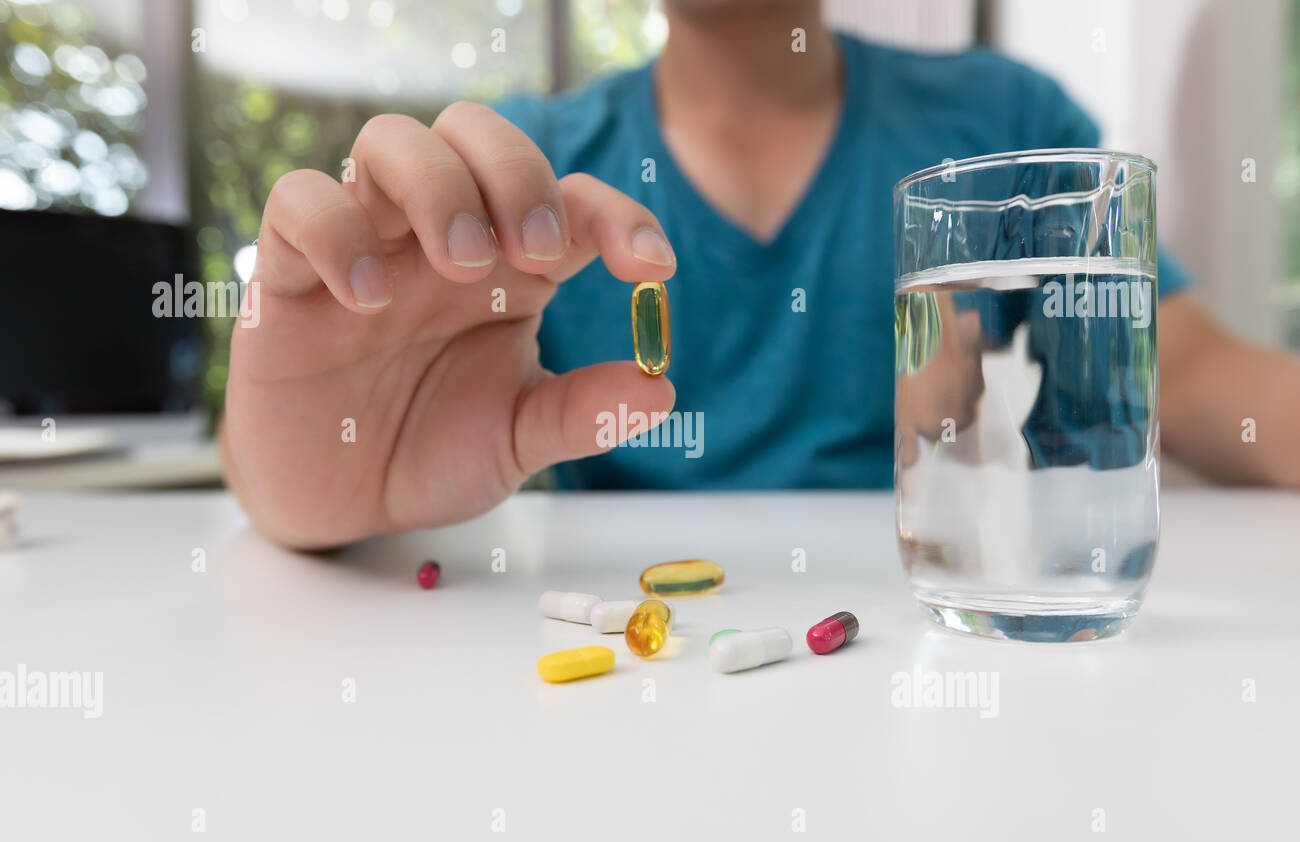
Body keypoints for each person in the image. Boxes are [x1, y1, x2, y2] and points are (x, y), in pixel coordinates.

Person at [220, 0, 1300, 549]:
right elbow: (326, 470)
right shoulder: (517, 180)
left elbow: (1189, 370)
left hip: (927, 639)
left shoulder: (1002, 124)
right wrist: (323, 466)